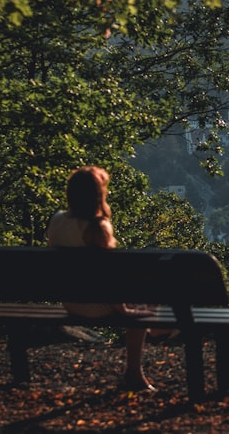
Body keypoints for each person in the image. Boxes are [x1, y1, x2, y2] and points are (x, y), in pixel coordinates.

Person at [46, 165, 154, 391]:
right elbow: (107, 281)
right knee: (143, 305)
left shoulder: (57, 220)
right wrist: (125, 311)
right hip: (95, 305)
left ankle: (158, 333)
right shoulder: (98, 228)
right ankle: (133, 372)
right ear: (99, 195)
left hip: (69, 301)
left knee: (139, 303)